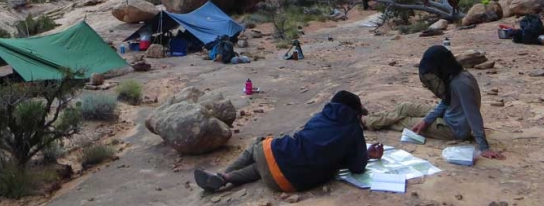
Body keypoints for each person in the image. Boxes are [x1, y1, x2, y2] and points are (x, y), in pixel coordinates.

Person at [193, 91, 383, 193]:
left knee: (260, 147)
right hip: (290, 184)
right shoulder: (353, 130)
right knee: (267, 167)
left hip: (278, 161)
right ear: (356, 112)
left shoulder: (319, 118)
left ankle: (223, 176)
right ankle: (225, 178)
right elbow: (357, 167)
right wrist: (368, 155)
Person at [364, 46, 505, 159]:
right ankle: (370, 118)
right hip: (449, 115)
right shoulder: (456, 76)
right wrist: (426, 121)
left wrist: (484, 147)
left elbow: (473, 114)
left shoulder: (461, 84)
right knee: (404, 107)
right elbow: (446, 102)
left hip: (453, 128)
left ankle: (364, 121)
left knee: (404, 121)